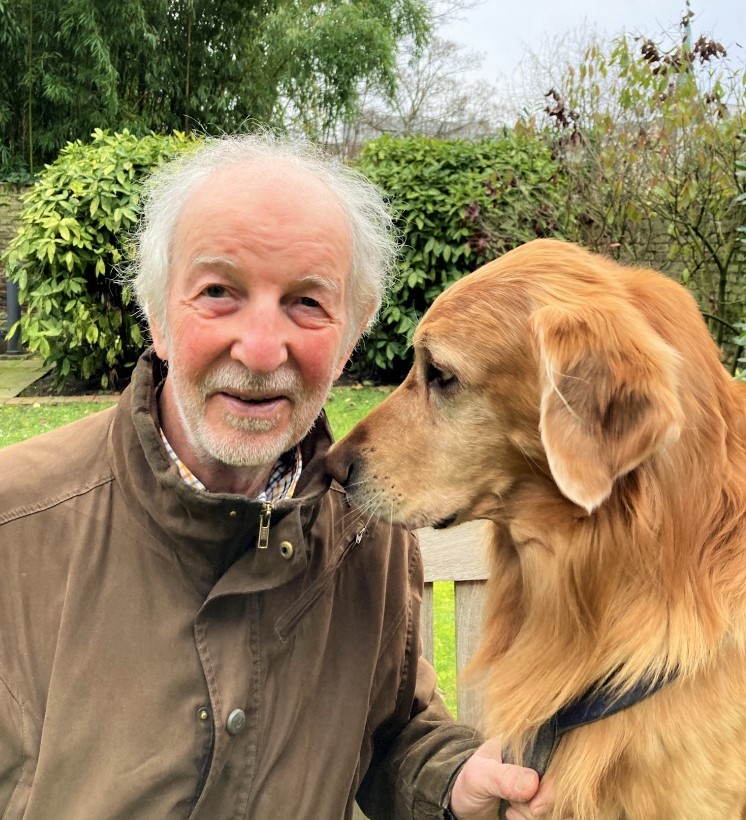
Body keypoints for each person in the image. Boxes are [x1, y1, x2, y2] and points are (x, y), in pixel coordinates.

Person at [0, 133, 553, 819]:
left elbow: (392, 734)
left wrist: (451, 781)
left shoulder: (365, 528)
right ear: (158, 316)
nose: (262, 351)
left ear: (351, 334)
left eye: (307, 303)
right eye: (219, 292)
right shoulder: (14, 520)